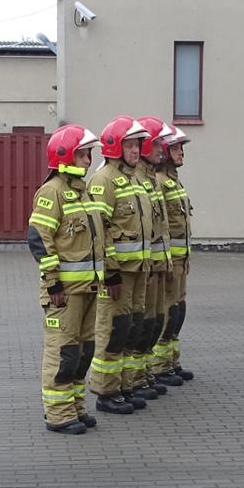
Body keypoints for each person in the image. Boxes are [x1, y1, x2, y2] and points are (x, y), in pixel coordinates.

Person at [29, 124, 108, 432]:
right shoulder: (53, 191)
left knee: (82, 351)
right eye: (84, 154)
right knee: (62, 352)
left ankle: (75, 406)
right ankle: (58, 414)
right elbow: (39, 238)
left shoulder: (82, 189)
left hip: (87, 289)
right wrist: (53, 282)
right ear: (65, 156)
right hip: (64, 292)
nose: (89, 160)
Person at [86, 117, 161, 409]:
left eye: (137, 144)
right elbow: (100, 229)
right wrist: (111, 272)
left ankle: (126, 384)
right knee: (113, 329)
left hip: (138, 270)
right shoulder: (104, 180)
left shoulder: (133, 180)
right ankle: (106, 392)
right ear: (115, 147)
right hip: (119, 275)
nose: (135, 150)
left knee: (132, 327)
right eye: (129, 145)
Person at [134, 116, 182, 393]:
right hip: (136, 270)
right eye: (159, 143)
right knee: (132, 327)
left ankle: (146, 374)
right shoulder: (139, 181)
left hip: (159, 265)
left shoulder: (153, 180)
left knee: (161, 318)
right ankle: (130, 381)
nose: (162, 149)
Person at [154, 122, 197, 382]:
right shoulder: (160, 182)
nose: (182, 152)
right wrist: (167, 262)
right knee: (167, 311)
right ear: (165, 150)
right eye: (177, 147)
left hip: (181, 261)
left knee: (177, 311)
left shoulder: (174, 181)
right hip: (170, 263)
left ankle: (171, 362)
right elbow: (160, 226)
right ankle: (159, 367)